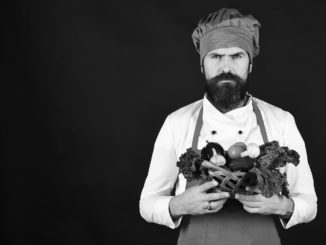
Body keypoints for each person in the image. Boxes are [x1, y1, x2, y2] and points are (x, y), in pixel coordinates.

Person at [139, 8, 317, 245]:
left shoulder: (281, 120)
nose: (226, 67)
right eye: (215, 56)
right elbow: (147, 203)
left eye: (236, 56)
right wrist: (177, 205)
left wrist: (283, 205)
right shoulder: (178, 122)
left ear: (250, 64)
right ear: (202, 65)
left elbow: (309, 203)